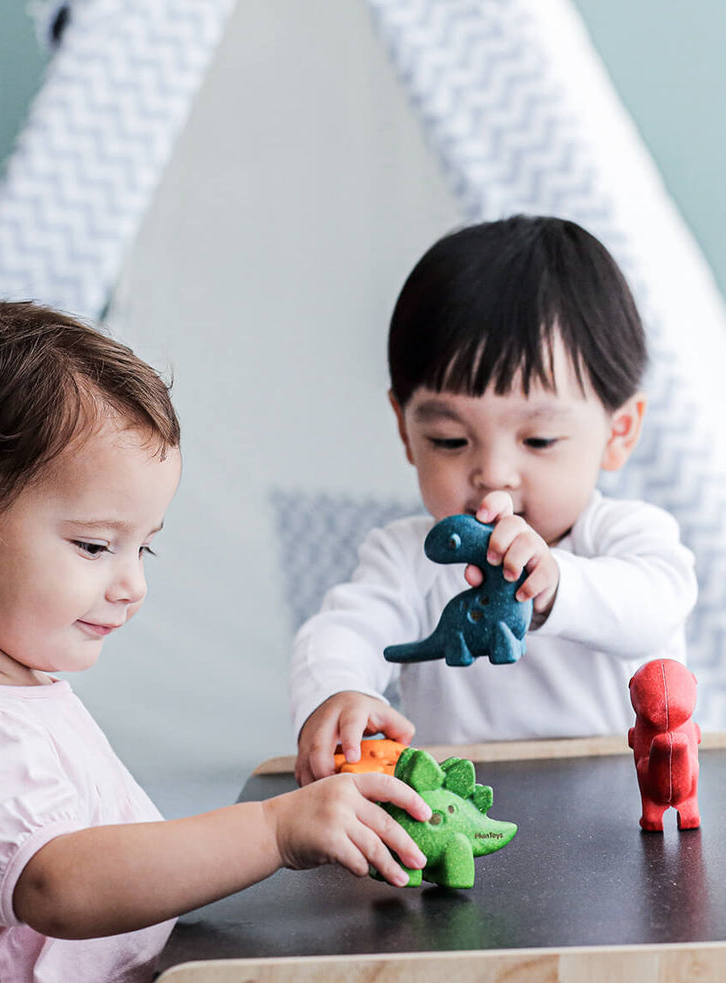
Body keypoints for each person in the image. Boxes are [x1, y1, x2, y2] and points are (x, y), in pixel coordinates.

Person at [0, 300, 430, 983]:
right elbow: (58, 881)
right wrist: (274, 831)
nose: (132, 584)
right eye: (95, 546)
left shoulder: (0, 699)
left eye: (143, 547)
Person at [290, 215, 698, 786]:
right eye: (450, 440)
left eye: (539, 440)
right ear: (406, 431)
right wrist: (338, 692)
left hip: (621, 798)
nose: (494, 474)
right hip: (459, 799)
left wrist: (554, 585)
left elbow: (655, 607)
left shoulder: (627, 536)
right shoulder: (406, 555)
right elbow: (343, 630)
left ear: (619, 431)